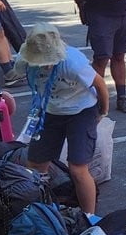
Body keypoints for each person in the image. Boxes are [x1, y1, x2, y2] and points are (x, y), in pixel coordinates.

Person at [12, 23, 108, 215]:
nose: (45, 65)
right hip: (49, 110)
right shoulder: (23, 61)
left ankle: (89, 217)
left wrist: (102, 111)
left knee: (78, 169)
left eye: (48, 61)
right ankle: (43, 211)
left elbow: (99, 84)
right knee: (35, 165)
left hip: (81, 110)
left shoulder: (72, 61)